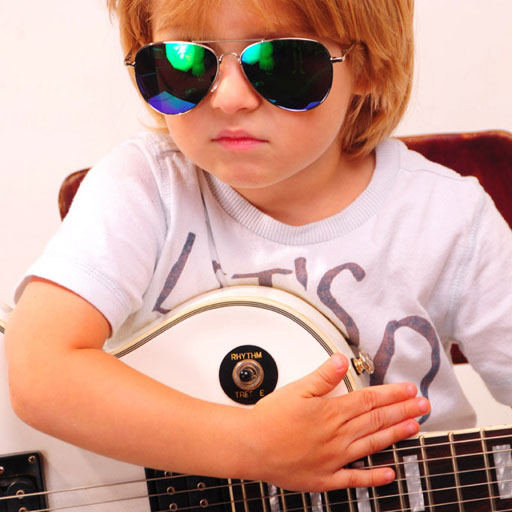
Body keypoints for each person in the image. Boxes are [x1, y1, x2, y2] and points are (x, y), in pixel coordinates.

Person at [4, 0, 512, 494]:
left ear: (369, 67)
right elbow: (39, 371)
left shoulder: (449, 218)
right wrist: (251, 446)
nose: (229, 98)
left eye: (280, 61)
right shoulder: (148, 189)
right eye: (184, 60)